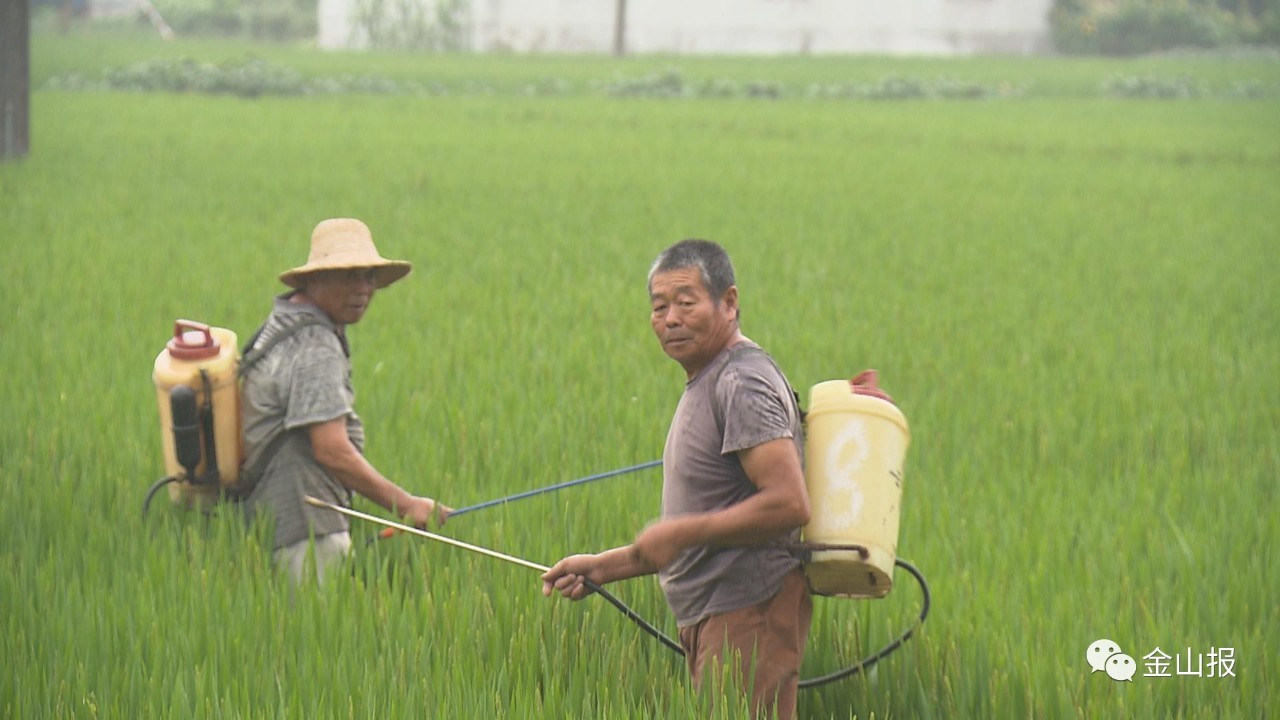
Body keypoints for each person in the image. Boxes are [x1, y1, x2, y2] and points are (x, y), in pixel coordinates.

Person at [541, 239, 812, 720]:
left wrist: (680, 532)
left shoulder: (741, 382)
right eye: (659, 306)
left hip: (749, 611)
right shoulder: (708, 379)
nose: (670, 318)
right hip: (720, 617)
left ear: (728, 302)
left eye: (686, 302)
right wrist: (602, 568)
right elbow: (692, 527)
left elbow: (790, 503)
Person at [240, 218, 450, 585]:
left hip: (274, 513)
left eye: (369, 276)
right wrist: (407, 505)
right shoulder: (314, 345)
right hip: (305, 522)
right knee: (320, 633)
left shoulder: (281, 322)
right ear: (313, 279)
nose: (362, 289)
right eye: (348, 275)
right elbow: (330, 449)